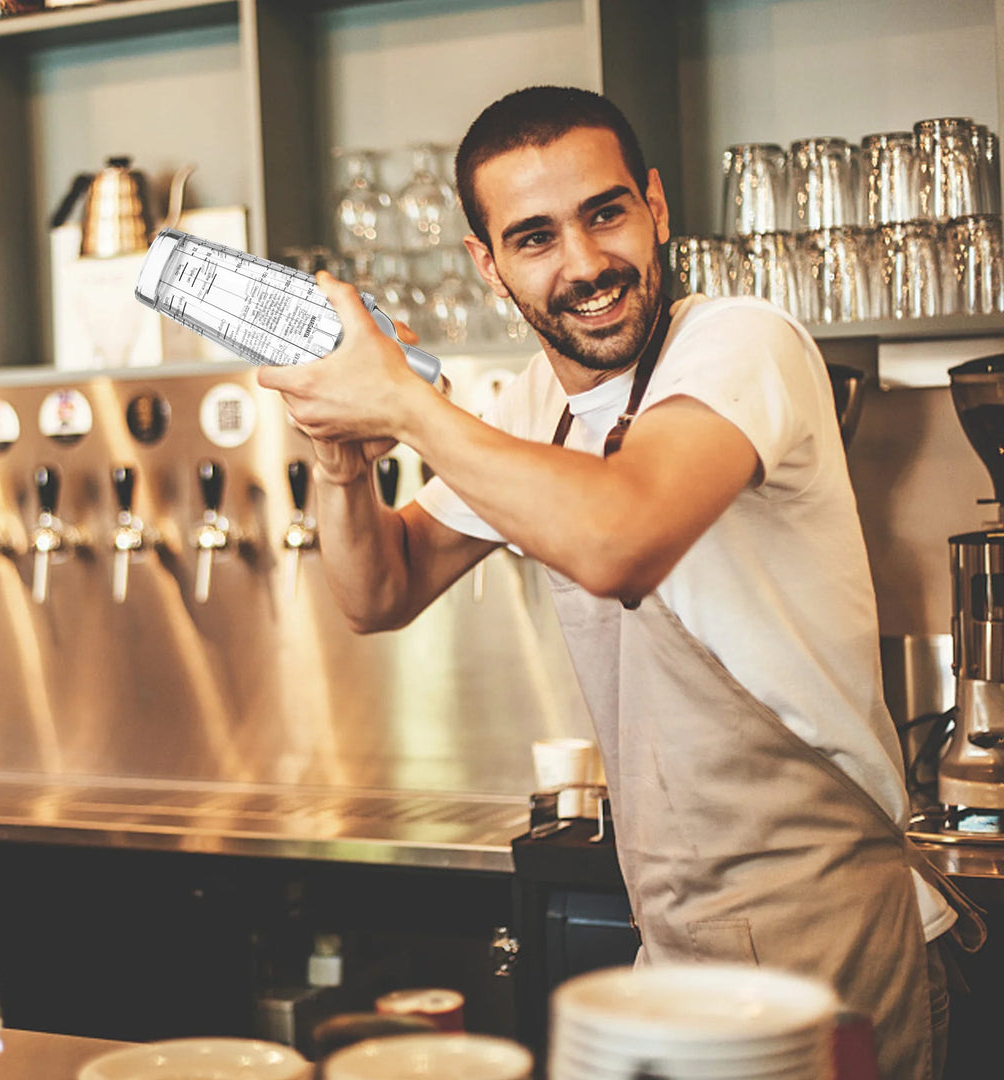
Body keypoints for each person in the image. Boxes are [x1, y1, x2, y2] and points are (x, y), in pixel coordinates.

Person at [258, 86, 982, 1080]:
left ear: (656, 205)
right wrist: (343, 460)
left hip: (828, 937)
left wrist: (406, 403)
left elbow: (622, 534)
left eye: (606, 213)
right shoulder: (523, 408)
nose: (586, 264)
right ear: (489, 264)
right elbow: (380, 589)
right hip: (673, 941)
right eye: (535, 236)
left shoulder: (738, 342)